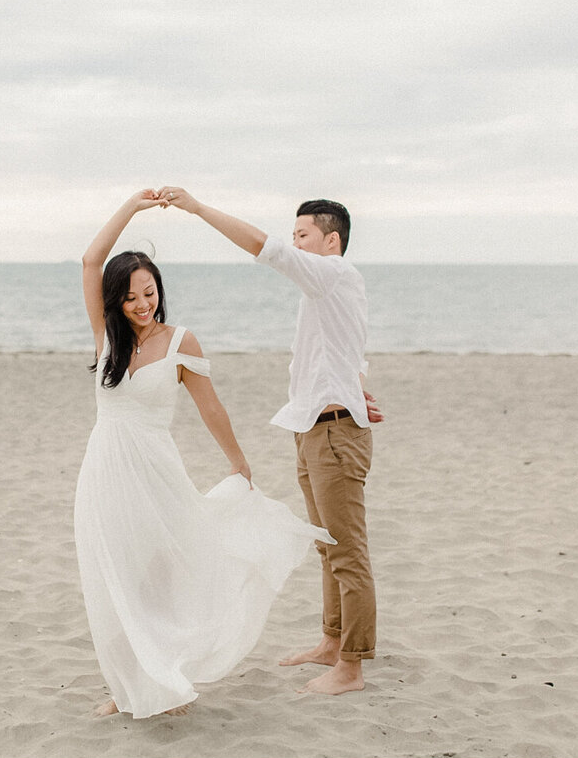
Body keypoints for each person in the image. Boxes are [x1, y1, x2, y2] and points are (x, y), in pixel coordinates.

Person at [75, 189, 336, 719]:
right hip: (103, 472)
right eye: (129, 297)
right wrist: (132, 206)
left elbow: (210, 408)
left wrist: (239, 463)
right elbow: (89, 260)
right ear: (114, 303)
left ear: (158, 290)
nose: (142, 304)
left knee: (159, 575)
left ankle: (164, 678)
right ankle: (128, 686)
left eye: (148, 292)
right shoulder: (107, 339)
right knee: (114, 577)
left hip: (156, 471)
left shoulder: (180, 342)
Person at [159, 186, 381, 697]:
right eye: (294, 234)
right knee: (327, 548)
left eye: (303, 235)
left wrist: (197, 208)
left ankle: (352, 667)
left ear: (331, 241)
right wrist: (357, 389)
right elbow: (348, 351)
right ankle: (331, 643)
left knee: (347, 552)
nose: (294, 243)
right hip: (315, 428)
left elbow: (267, 249)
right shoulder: (327, 290)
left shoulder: (335, 273)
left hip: (334, 436)